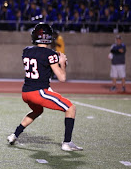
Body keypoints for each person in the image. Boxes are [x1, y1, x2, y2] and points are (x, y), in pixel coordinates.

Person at [7, 23, 83, 152]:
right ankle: (67, 142)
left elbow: (40, 64)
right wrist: (62, 63)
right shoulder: (50, 54)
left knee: (37, 111)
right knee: (71, 108)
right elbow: (62, 78)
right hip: (39, 92)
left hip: (26, 92)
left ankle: (14, 135)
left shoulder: (26, 51)